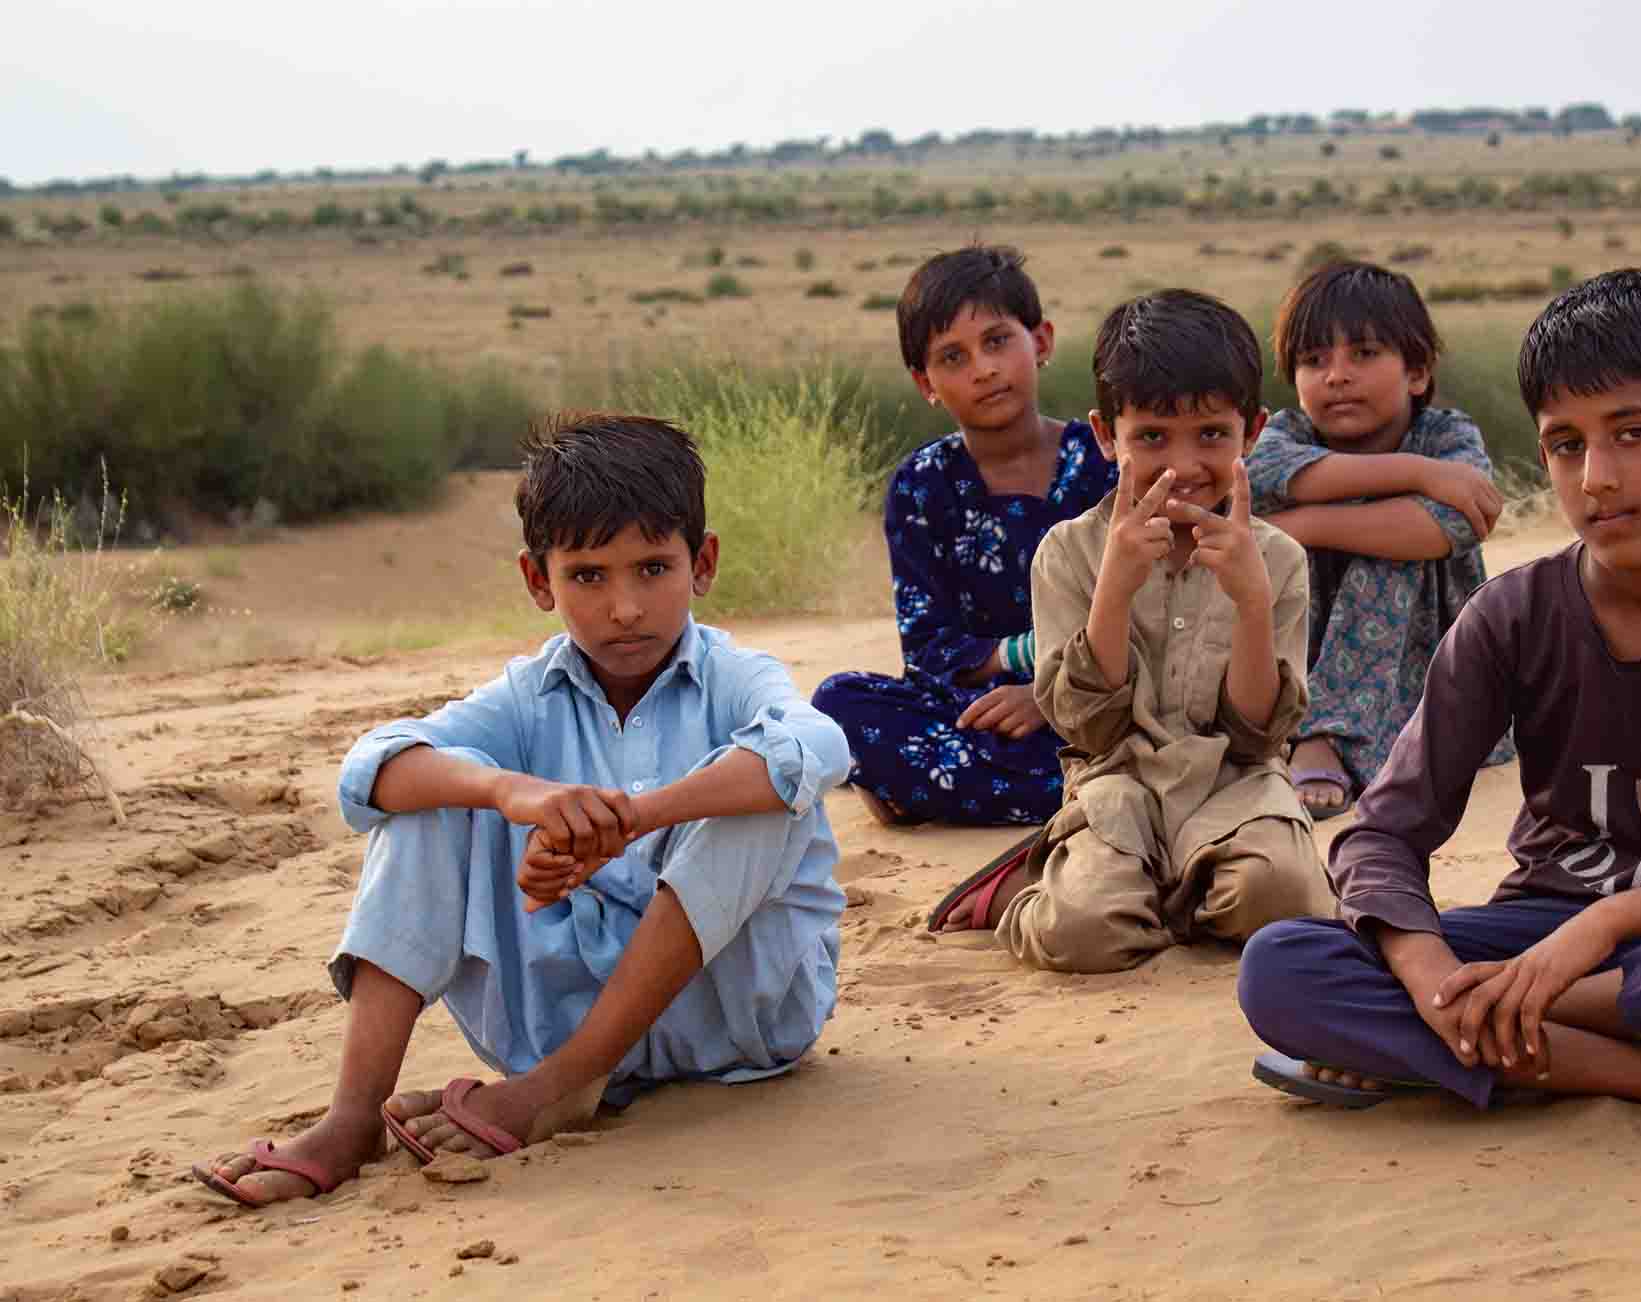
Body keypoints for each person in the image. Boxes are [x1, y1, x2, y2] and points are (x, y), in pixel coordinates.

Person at [1237, 269, 1641, 1130]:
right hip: (1534, 930)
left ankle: (1476, 1042)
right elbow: (1382, 831)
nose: (1597, 479)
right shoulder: (1511, 615)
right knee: (1282, 966)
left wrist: (1609, 928)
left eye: (1631, 433)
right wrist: (1434, 974)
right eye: (1566, 445)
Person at [192, 414, 850, 1206]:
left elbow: (818, 744)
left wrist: (637, 818)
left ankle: (560, 1088)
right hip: (557, 1013)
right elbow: (370, 768)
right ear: (539, 582)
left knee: (763, 792)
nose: (626, 608)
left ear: (701, 564)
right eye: (588, 576)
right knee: (428, 795)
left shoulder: (736, 676)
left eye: (652, 568)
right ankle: (351, 1119)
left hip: (734, 1023)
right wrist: (515, 792)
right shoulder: (529, 696)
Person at [929, 288, 1334, 968]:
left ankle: (1160, 885)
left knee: (1281, 902)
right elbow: (1087, 729)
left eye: (1211, 435)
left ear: (1253, 433)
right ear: (1104, 436)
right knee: (1081, 935)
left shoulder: (1276, 559)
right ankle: (1025, 892)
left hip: (1234, 785)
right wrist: (1114, 589)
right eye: (1151, 436)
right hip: (1117, 785)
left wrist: (1252, 605)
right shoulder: (1069, 553)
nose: (1181, 464)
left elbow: (1261, 733)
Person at [812, 245, 1117, 828]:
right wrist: (1012, 670)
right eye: (954, 357)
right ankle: (1066, 793)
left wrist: (1048, 696)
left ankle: (937, 790)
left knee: (1150, 730)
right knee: (837, 703)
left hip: (1099, 700)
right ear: (925, 382)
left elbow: (1151, 615)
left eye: (998, 341)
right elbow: (927, 648)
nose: (982, 369)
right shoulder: (921, 485)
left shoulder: (1104, 463)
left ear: (1042, 342)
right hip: (980, 713)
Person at [1248, 261, 1514, 819]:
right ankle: (1314, 728)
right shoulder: (1285, 435)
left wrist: (1305, 524)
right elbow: (1262, 477)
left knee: (1395, 543)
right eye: (1313, 361)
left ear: (1416, 373)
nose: (1336, 376)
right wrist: (1420, 474)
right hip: (1301, 655)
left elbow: (1447, 526)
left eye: (1363, 355)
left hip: (1426, 672)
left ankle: (1329, 736)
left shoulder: (1447, 435)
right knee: (1380, 525)